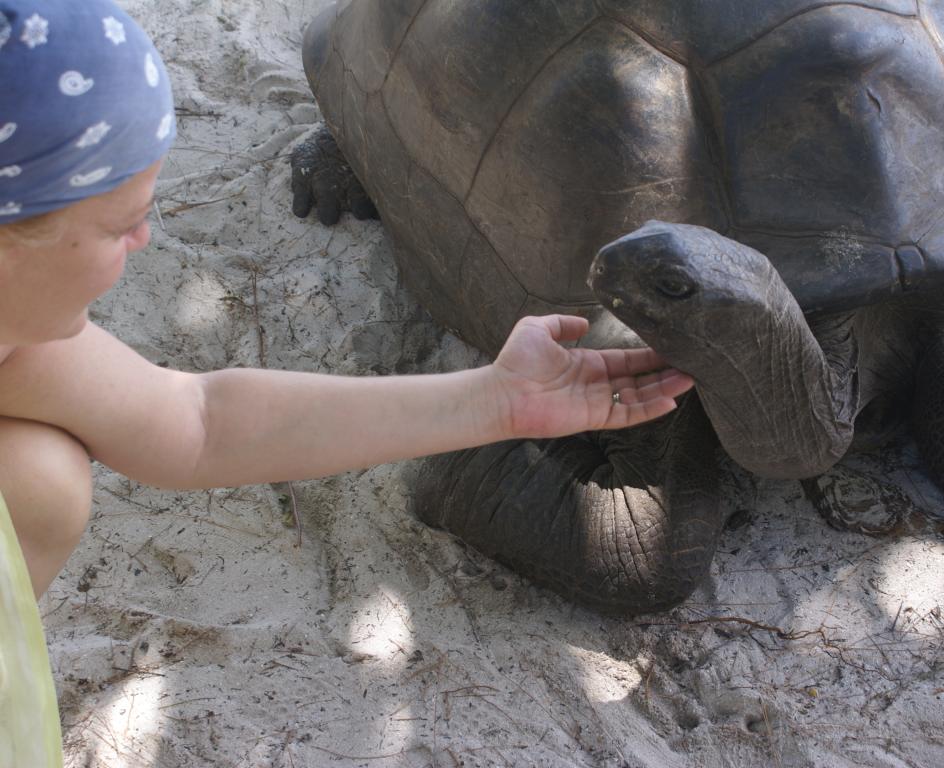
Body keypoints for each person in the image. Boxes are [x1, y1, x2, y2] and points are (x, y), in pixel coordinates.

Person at [0, 0, 693, 763]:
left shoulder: (21, 341)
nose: (145, 238)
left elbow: (199, 421)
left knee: (37, 476)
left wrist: (498, 400)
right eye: (116, 225)